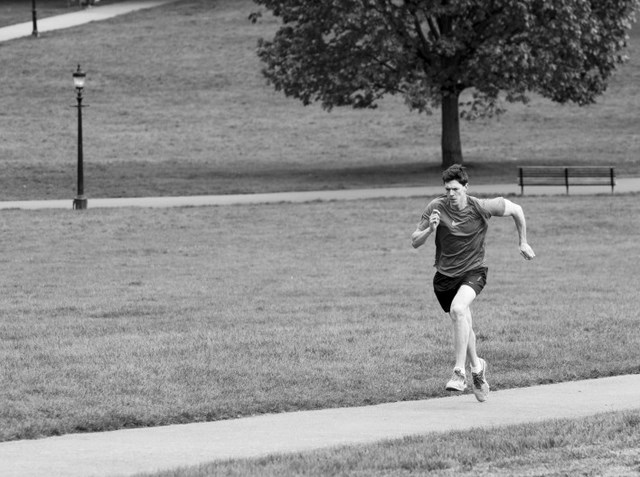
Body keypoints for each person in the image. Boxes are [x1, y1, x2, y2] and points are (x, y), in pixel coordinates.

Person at [411, 164, 535, 402]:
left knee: (459, 310)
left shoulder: (481, 207)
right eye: (447, 189)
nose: (450, 194)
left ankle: (459, 373)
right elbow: (414, 241)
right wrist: (430, 229)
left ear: (466, 188)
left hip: (474, 271)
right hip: (444, 277)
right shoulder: (435, 207)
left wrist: (523, 242)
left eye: (455, 189)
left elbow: (517, 209)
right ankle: (478, 368)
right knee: (463, 322)